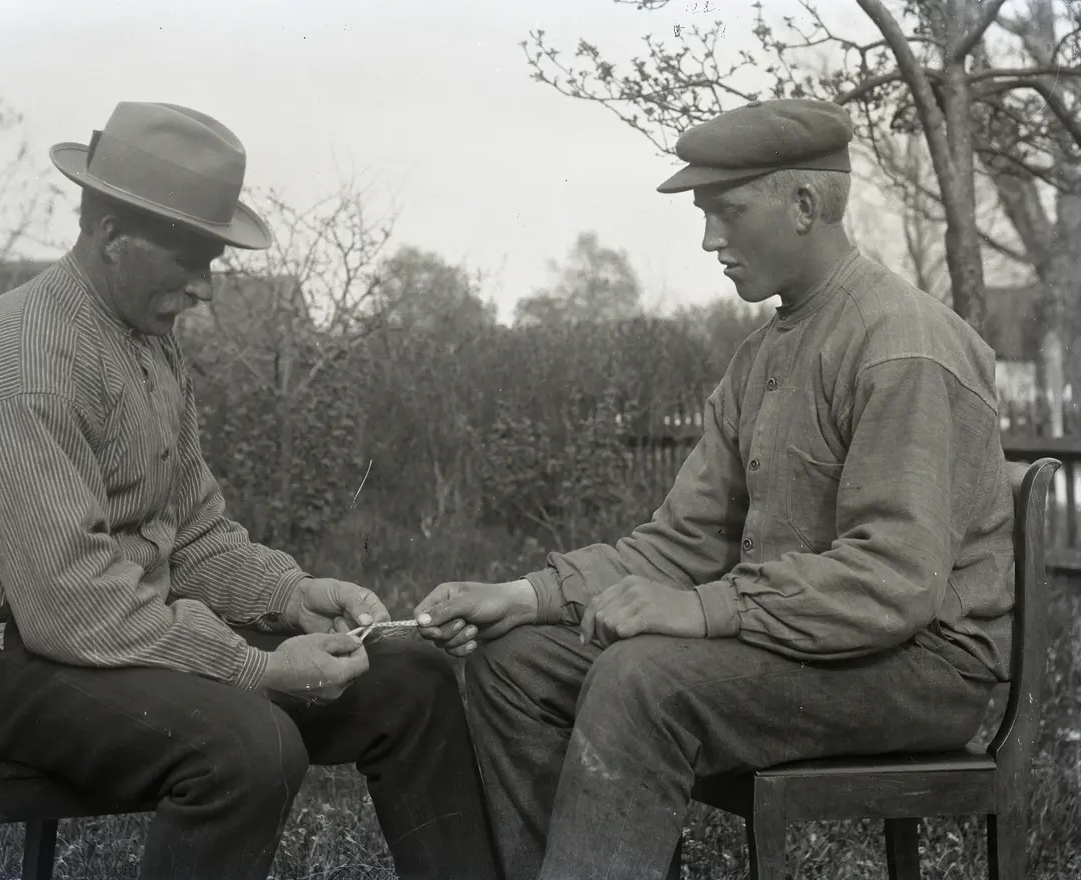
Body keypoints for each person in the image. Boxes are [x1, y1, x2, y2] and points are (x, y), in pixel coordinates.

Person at [415, 98, 1014, 880]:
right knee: (514, 662)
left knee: (642, 679)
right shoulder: (759, 357)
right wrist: (525, 596)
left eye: (727, 212)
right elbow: (684, 543)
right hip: (807, 644)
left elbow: (894, 580)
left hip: (922, 666)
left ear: (805, 205)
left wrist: (704, 610)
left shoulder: (902, 343)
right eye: (705, 216)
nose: (709, 240)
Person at [0, 101, 497, 880]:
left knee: (411, 680)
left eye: (212, 260)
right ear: (110, 234)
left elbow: (193, 536)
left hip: (113, 634)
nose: (207, 287)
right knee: (249, 747)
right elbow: (72, 608)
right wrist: (259, 669)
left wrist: (290, 595)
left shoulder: (146, 340)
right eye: (191, 258)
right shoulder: (24, 365)